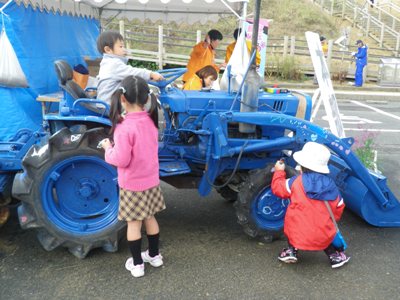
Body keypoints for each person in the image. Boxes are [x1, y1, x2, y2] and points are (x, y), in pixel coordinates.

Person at [101, 75, 166, 278]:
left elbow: (120, 159)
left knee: (134, 224)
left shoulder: (124, 127)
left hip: (132, 185)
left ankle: (137, 264)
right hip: (151, 181)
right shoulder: (151, 121)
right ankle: (154, 256)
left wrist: (107, 148)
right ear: (147, 98)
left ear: (122, 99)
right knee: (150, 217)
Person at [271, 142, 350, 269]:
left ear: (301, 166)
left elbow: (278, 188)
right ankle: (335, 256)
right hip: (323, 235)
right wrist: (329, 220)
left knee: (294, 225)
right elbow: (339, 206)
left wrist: (279, 172)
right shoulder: (332, 186)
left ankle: (291, 251)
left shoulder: (296, 182)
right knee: (326, 234)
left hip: (298, 234)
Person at [96, 31, 164, 104]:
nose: (124, 49)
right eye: (121, 46)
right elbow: (132, 72)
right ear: (108, 50)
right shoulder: (113, 64)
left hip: (106, 103)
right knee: (146, 104)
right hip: (111, 105)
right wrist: (150, 74)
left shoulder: (107, 62)